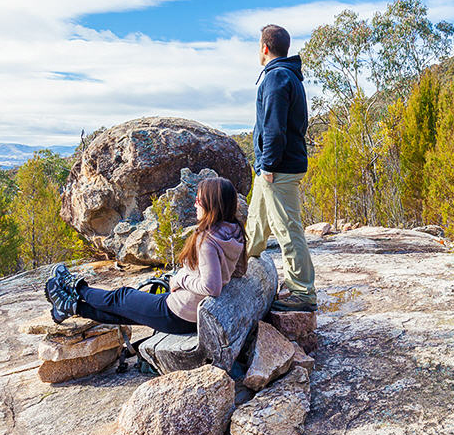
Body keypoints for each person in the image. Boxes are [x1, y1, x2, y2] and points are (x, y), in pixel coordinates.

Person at [44, 177, 248, 332]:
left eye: (199, 200)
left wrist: (181, 279)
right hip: (191, 314)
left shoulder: (207, 240)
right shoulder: (234, 231)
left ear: (211, 204)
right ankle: (70, 306)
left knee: (122, 297)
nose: (195, 204)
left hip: (178, 314)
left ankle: (75, 287)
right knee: (126, 312)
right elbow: (238, 271)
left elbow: (211, 287)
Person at [246, 24, 317, 312]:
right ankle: (242, 270)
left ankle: (303, 294)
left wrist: (269, 164)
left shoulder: (276, 78)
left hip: (278, 169)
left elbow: (274, 129)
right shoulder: (287, 76)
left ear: (264, 48)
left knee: (287, 230)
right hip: (274, 167)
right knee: (256, 223)